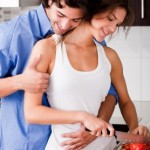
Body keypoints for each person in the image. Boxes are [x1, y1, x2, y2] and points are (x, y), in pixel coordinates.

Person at [24, 0, 150, 149]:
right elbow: (32, 113)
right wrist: (83, 117)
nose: (112, 29)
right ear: (94, 9)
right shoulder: (48, 49)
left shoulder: (109, 56)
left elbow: (125, 101)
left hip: (105, 146)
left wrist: (134, 127)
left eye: (117, 24)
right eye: (110, 19)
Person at [0, 0, 119, 150]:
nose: (64, 25)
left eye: (76, 19)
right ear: (50, 2)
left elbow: (110, 92)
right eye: (60, 15)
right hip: (25, 143)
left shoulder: (91, 39)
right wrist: (19, 82)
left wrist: (96, 127)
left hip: (71, 144)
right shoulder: (10, 34)